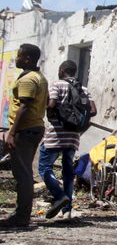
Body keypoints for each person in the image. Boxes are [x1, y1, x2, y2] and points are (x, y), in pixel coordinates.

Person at [40, 60, 97, 218]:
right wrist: (78, 124)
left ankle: (60, 196)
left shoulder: (56, 85)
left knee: (44, 168)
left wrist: (50, 113)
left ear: (61, 70)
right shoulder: (83, 89)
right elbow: (93, 110)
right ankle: (67, 212)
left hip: (55, 135)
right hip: (73, 137)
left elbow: (51, 105)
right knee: (68, 173)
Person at [0, 44, 49, 228]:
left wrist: (11, 133)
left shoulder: (28, 79)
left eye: (19, 56)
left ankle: (21, 217)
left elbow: (24, 106)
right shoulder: (39, 77)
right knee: (24, 172)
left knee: (23, 174)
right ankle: (22, 214)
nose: (16, 59)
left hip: (25, 130)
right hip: (34, 128)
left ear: (27, 58)